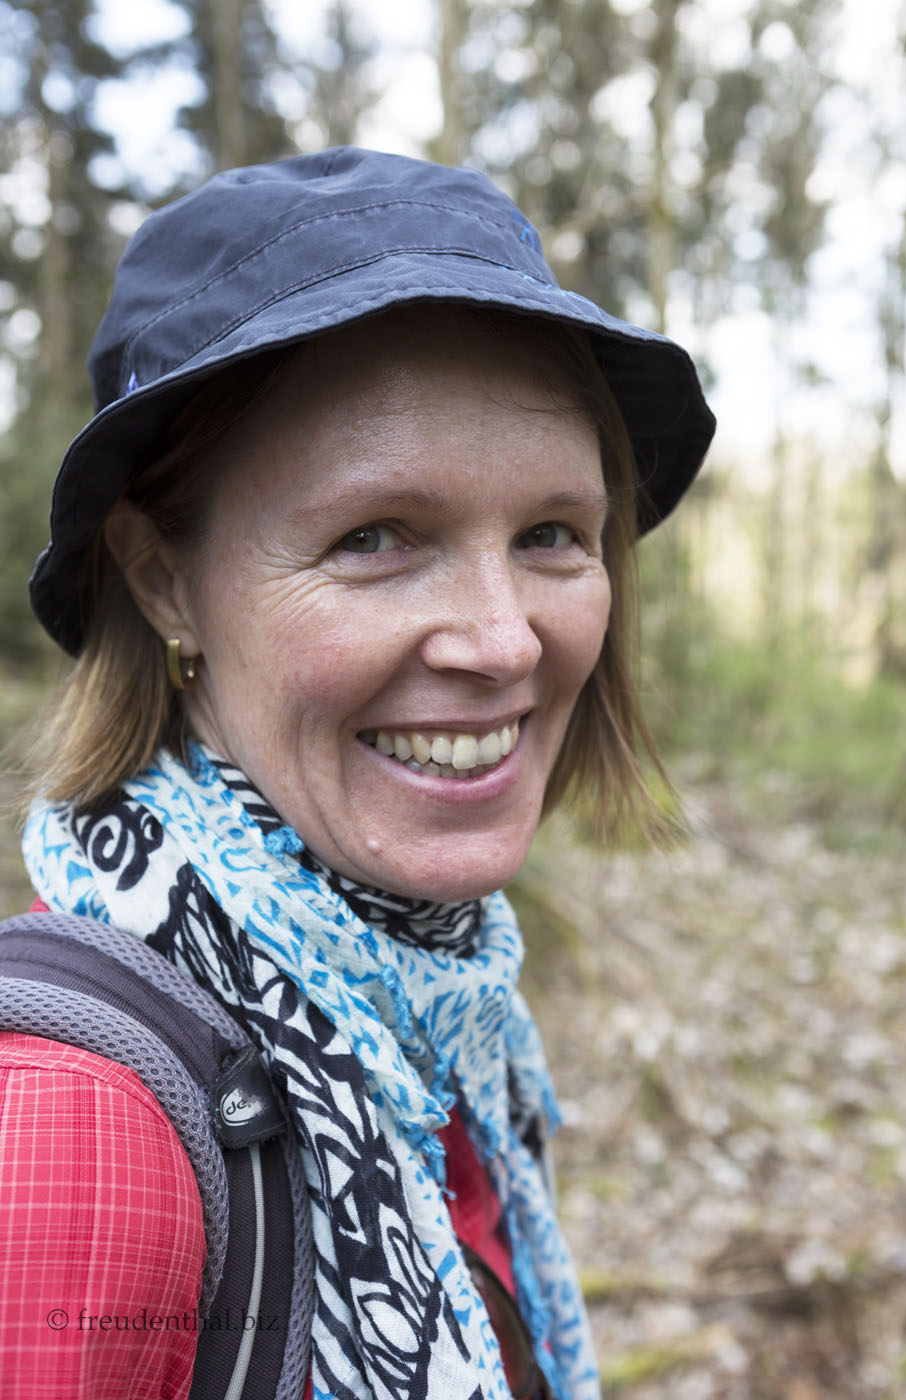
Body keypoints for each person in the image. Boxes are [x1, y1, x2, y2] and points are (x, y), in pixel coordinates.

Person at [2, 147, 714, 1400]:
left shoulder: (451, 1030)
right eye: (375, 536)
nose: (503, 640)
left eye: (552, 532)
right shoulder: (67, 1124)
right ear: (165, 577)